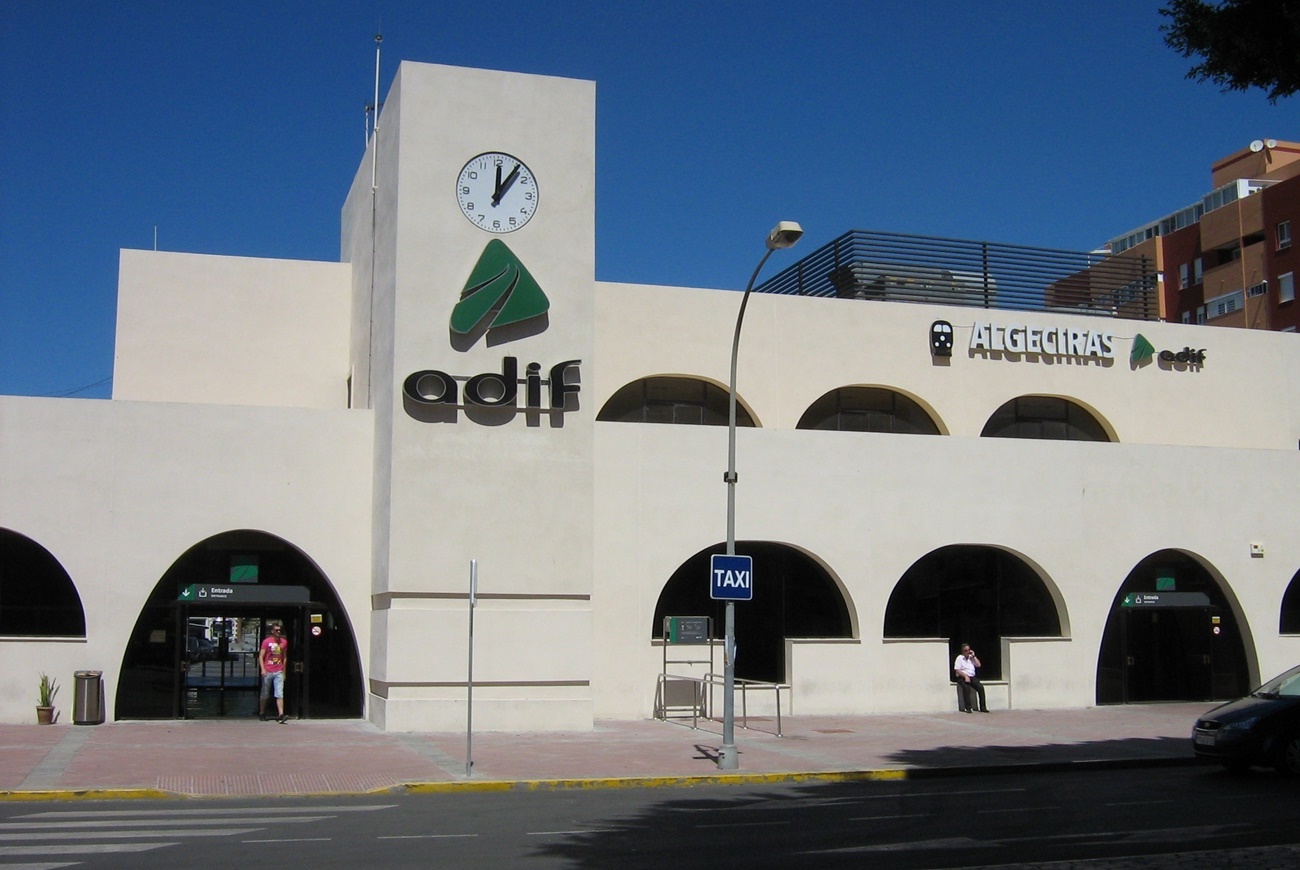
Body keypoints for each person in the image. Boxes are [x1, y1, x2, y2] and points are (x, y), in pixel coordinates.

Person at [258, 621, 289, 723]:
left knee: (279, 693)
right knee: (265, 693)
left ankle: (281, 714)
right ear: (272, 631)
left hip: (278, 670)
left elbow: (284, 657)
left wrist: (284, 671)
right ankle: (262, 712)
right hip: (268, 670)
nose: (278, 632)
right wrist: (263, 669)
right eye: (276, 630)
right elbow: (261, 656)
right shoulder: (266, 642)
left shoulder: (284, 642)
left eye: (280, 630)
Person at [953, 643, 988, 713]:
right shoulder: (959, 658)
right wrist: (965, 676)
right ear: (962, 651)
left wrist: (974, 656)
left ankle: (983, 707)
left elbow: (978, 665)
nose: (967, 652)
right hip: (962, 677)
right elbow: (957, 670)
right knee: (966, 688)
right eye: (966, 650)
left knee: (980, 688)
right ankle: (968, 707)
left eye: (968, 650)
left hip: (972, 677)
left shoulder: (971, 658)